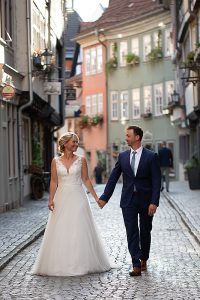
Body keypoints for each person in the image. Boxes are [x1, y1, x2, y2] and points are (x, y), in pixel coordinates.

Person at [32, 132, 111, 276]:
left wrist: (96, 198)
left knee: (78, 228)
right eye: (73, 142)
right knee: (61, 229)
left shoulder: (81, 160)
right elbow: (54, 181)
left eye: (77, 142)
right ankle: (61, 263)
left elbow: (86, 180)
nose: (76, 144)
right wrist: (50, 199)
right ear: (65, 143)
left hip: (78, 197)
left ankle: (80, 263)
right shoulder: (55, 161)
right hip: (61, 198)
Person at [97, 126, 161, 276]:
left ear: (137, 137)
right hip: (128, 201)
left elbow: (156, 181)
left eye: (128, 135)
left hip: (146, 201)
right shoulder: (123, 156)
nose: (126, 138)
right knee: (131, 231)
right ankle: (136, 263)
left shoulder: (151, 156)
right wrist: (104, 198)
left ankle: (144, 257)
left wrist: (154, 202)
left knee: (145, 231)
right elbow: (113, 177)